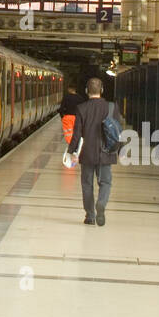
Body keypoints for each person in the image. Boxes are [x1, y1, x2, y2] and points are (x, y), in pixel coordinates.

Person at [68, 76, 119, 226]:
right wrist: (120, 149)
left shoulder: (81, 108)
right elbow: (117, 131)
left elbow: (77, 134)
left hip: (87, 152)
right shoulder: (111, 107)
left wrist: (71, 151)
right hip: (106, 151)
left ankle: (90, 215)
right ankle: (101, 203)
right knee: (105, 182)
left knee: (87, 184)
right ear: (102, 90)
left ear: (86, 91)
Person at [58, 82, 86, 160]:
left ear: (69, 89)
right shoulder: (80, 98)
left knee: (68, 135)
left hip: (67, 118)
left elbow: (61, 109)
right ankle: (75, 149)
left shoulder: (66, 97)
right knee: (76, 134)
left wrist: (62, 117)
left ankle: (71, 149)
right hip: (77, 118)